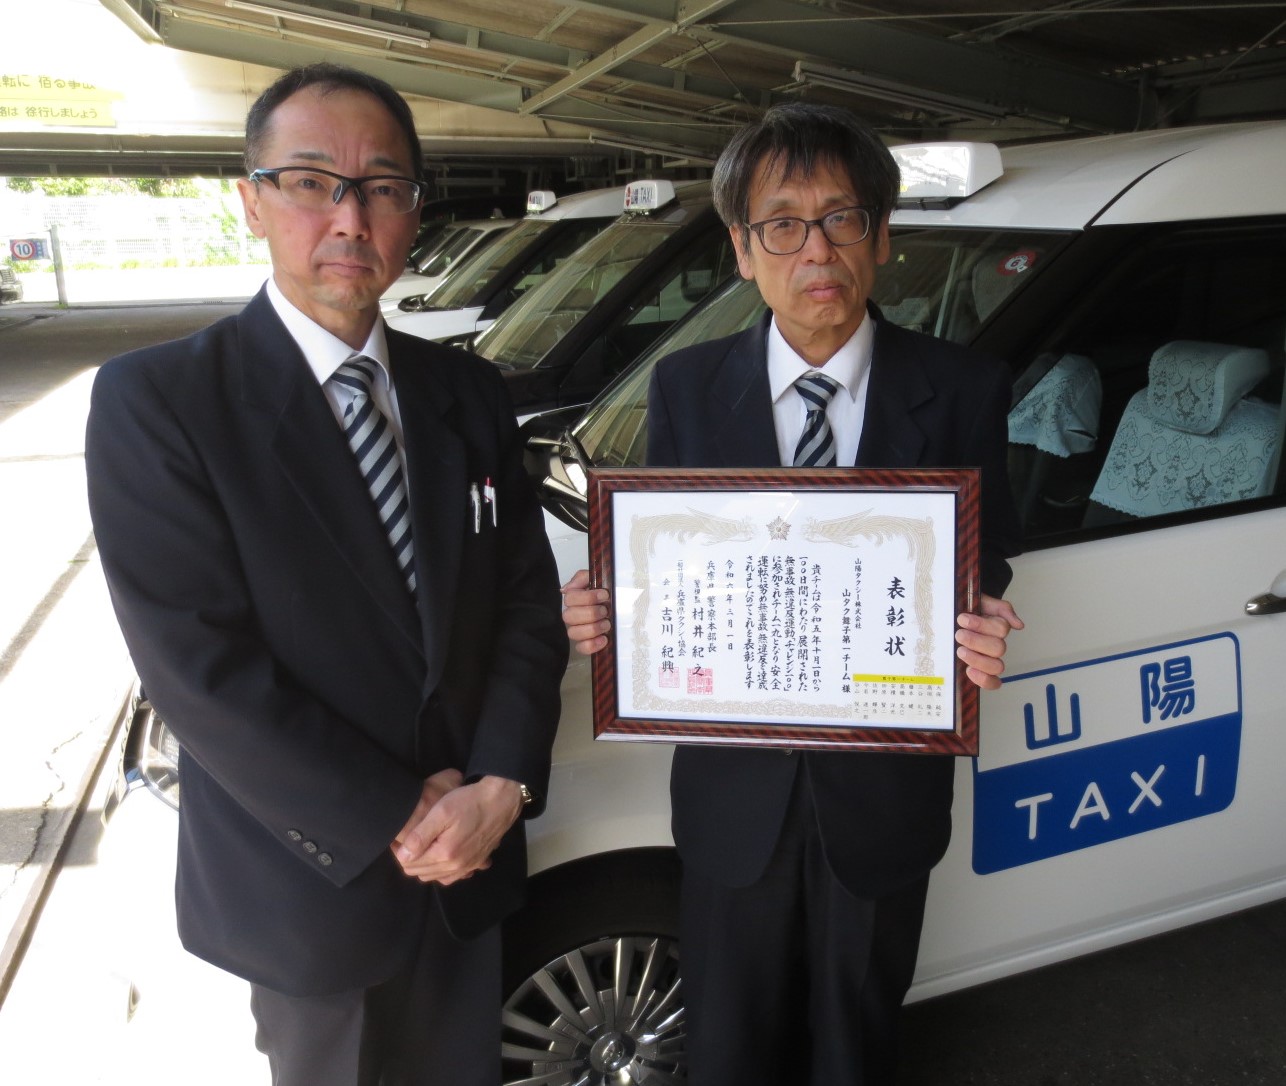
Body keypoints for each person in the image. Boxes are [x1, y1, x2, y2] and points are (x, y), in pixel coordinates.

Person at [85, 64, 567, 1086]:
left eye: (382, 187)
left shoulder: (468, 391)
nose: (350, 217)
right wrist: (397, 813)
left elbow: (527, 603)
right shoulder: (161, 401)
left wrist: (503, 782)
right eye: (311, 182)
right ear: (250, 200)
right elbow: (197, 669)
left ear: (413, 212)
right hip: (308, 885)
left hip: (471, 863)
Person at [560, 102, 1024, 1085]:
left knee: (857, 1046)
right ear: (741, 250)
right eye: (781, 223)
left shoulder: (964, 387)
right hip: (734, 801)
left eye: (841, 218)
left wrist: (979, 622)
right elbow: (664, 567)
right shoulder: (685, 388)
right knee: (732, 1045)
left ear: (882, 235)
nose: (815, 248)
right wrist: (610, 607)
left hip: (883, 798)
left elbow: (981, 562)